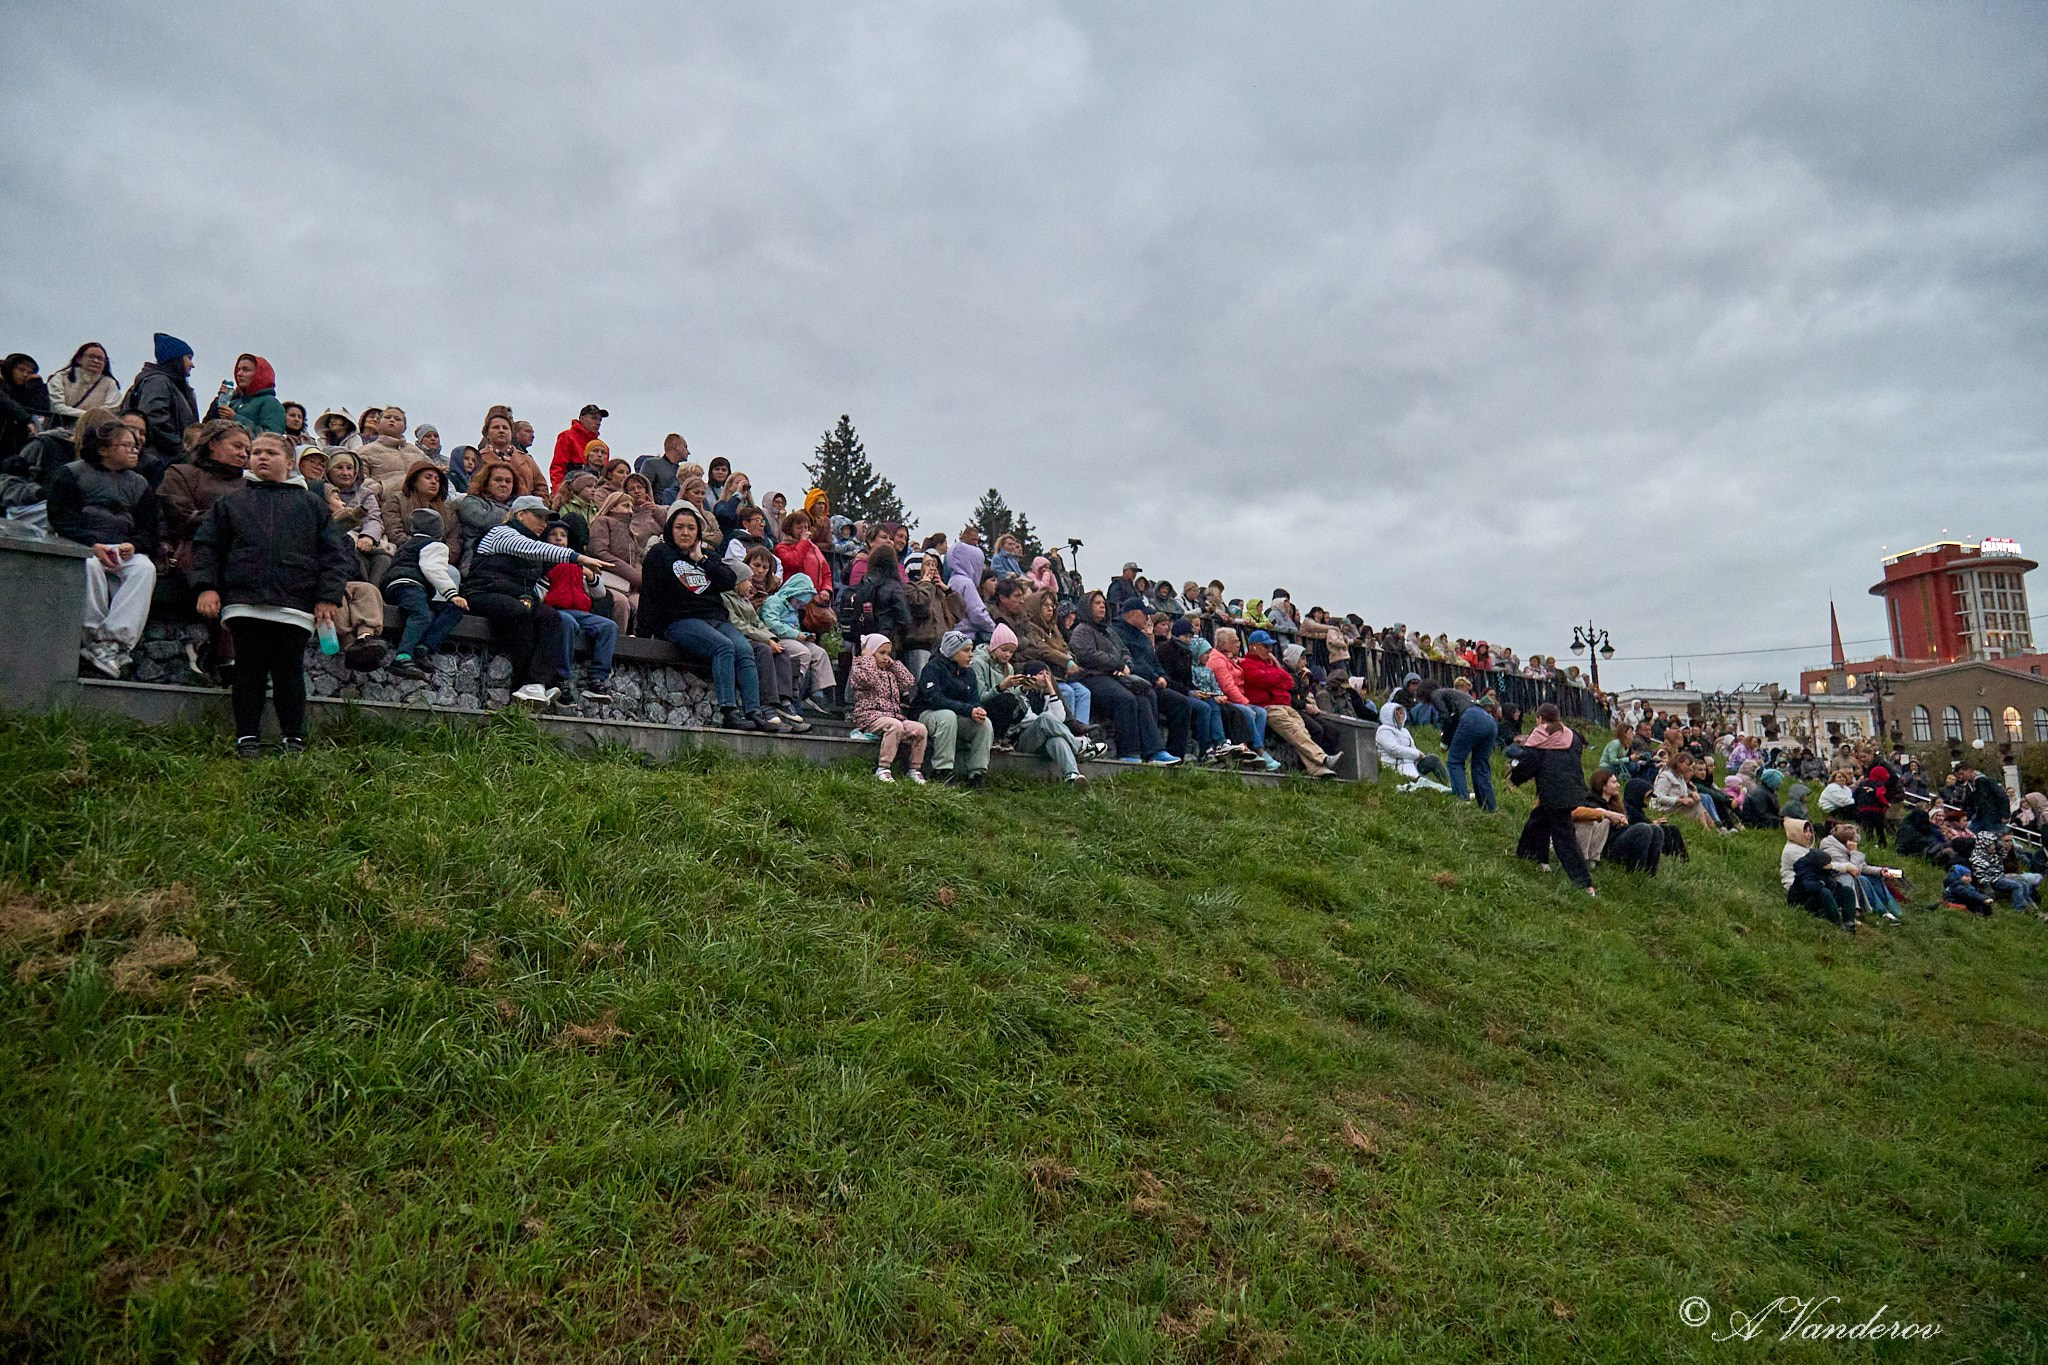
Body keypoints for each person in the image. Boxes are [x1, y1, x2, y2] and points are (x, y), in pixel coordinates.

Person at [190, 432, 350, 758]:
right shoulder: (232, 502)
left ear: (290, 463)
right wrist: (207, 586)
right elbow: (207, 547)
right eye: (256, 451)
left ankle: (294, 738)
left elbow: (333, 555)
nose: (261, 457)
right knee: (248, 671)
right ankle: (246, 737)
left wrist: (328, 597)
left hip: (294, 603)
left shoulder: (312, 506)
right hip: (243, 602)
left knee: (289, 672)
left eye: (271, 453)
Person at [638, 506, 779, 731]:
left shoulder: (709, 556)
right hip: (680, 620)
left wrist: (701, 559)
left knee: (744, 649)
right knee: (723, 647)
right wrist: (645, 632)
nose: (685, 533)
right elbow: (649, 593)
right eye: (680, 527)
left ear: (698, 532)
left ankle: (754, 711)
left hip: (715, 618)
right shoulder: (660, 554)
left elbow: (727, 580)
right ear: (670, 530)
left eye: (691, 528)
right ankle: (729, 711)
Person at [47, 416, 160, 679]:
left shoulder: (140, 484)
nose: (135, 450)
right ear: (103, 449)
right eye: (127, 445)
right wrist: (91, 544)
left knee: (144, 568)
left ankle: (115, 640)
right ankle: (93, 638)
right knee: (89, 564)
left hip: (121, 547)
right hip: (83, 543)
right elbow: (61, 518)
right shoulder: (71, 474)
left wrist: (135, 545)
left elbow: (149, 528)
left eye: (136, 445)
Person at [467, 496, 607, 706]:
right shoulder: (500, 532)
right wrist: (579, 558)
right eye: (539, 516)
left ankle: (538, 684)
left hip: (516, 597)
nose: (544, 523)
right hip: (484, 592)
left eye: (546, 518)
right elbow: (530, 548)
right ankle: (526, 684)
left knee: (552, 617)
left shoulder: (534, 544)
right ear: (520, 514)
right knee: (521, 614)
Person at [1070, 591, 1176, 765]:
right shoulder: (1082, 630)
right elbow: (1087, 654)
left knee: (1145, 696)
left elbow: (1125, 652)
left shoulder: (1108, 631)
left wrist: (1126, 666)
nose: (1102, 606)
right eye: (1097, 603)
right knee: (1125, 699)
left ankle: (1154, 750)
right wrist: (1117, 665)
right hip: (1092, 676)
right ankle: (1128, 752)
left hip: (1114, 676)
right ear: (1086, 607)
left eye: (1103, 602)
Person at [1508, 705, 1597, 893]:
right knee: (1538, 819)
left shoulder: (1540, 736)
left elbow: (1529, 763)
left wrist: (1514, 779)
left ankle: (1584, 883)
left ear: (1540, 718)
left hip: (1553, 794)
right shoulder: (1571, 736)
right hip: (1574, 789)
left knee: (1564, 838)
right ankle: (1528, 854)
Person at [379, 508, 468, 682]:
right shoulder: (435, 546)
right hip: (410, 585)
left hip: (394, 587)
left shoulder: (408, 544)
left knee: (449, 610)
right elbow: (433, 569)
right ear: (439, 531)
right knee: (421, 615)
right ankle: (402, 657)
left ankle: (423, 647)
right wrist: (451, 593)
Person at [724, 559, 810, 731]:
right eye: (747, 580)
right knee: (764, 651)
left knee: (782, 652)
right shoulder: (726, 599)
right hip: (742, 639)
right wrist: (766, 640)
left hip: (757, 637)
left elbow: (758, 623)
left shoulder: (745, 601)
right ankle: (767, 704)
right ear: (737, 581)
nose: (750, 584)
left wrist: (772, 638)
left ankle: (783, 701)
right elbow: (739, 625)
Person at [1240, 631, 1338, 776]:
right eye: (1265, 646)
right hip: (1269, 707)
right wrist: (1276, 676)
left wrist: (1277, 668)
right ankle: (1322, 758)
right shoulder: (1247, 664)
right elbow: (1261, 680)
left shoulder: (1272, 665)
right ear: (1253, 647)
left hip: (1285, 706)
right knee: (1294, 731)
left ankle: (1316, 769)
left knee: (1301, 732)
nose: (1269, 650)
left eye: (1270, 647)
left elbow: (1289, 682)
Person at [540, 522, 618, 701]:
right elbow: (540, 593)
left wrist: (590, 575)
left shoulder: (578, 565)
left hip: (580, 611)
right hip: (555, 610)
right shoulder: (544, 562)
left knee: (609, 627)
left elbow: (600, 593)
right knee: (567, 623)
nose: (559, 538)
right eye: (553, 534)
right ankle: (562, 679)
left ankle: (597, 678)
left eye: (563, 535)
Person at [1110, 599, 1197, 757]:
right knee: (1149, 699)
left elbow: (1154, 662)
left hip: (1152, 683)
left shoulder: (1142, 636)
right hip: (1133, 683)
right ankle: (1153, 751)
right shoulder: (1116, 633)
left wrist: (1162, 676)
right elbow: (1130, 663)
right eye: (1145, 615)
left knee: (1182, 703)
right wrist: (1155, 677)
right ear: (1133, 614)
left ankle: (1176, 754)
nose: (1147, 619)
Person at [917, 630, 995, 787]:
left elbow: (974, 699)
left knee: (984, 724)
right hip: (927, 715)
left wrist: (978, 709)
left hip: (956, 716)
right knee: (947, 716)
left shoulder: (969, 673)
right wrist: (968, 710)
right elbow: (934, 699)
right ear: (952, 652)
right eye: (966, 650)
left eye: (971, 650)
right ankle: (942, 770)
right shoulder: (933, 668)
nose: (971, 655)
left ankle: (976, 774)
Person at [120, 333, 199, 482]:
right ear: (175, 359)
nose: (192, 364)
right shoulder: (158, 382)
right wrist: (181, 450)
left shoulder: (170, 385)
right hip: (163, 462)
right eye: (188, 358)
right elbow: (155, 418)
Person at [850, 634, 928, 782]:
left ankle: (914, 769)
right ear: (870, 652)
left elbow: (908, 682)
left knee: (920, 729)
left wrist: (894, 664)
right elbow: (869, 680)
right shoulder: (860, 667)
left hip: (892, 717)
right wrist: (868, 659)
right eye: (881, 653)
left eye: (888, 653)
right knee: (895, 726)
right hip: (869, 717)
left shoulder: (890, 672)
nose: (886, 657)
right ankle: (883, 767)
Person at [759, 572, 838, 715]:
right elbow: (771, 623)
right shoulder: (774, 602)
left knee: (820, 653)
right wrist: (796, 635)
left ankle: (818, 692)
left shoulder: (794, 609)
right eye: (798, 602)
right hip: (776, 638)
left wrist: (806, 636)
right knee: (804, 653)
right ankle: (795, 690)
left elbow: (795, 627)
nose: (799, 606)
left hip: (794, 638)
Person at [1580, 767, 1661, 874]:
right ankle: (1635, 871)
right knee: (1643, 829)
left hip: (1617, 839)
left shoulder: (1615, 805)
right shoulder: (1591, 804)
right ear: (1603, 786)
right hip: (1606, 848)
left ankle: (1650, 872)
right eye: (1614, 782)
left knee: (1656, 829)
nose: (1618, 785)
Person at [1781, 820, 1859, 931]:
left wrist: (1833, 884)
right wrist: (1841, 868)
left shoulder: (1808, 850)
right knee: (1825, 892)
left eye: (1810, 831)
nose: (1809, 834)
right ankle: (1837, 923)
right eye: (1805, 831)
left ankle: (1849, 922)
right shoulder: (1794, 852)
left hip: (1816, 887)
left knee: (1846, 891)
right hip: (1802, 895)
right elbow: (1809, 881)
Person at [203, 353, 287, 435]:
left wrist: (235, 418)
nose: (239, 374)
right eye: (238, 370)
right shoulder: (234, 401)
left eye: (246, 370)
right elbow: (206, 428)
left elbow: (271, 438)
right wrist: (220, 400)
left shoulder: (270, 403)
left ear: (260, 374)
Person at [471, 409, 546, 498]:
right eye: (496, 427)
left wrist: (535, 507)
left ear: (511, 433)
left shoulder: (527, 460)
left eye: (505, 428)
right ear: (487, 433)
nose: (501, 431)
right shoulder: (477, 459)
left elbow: (541, 487)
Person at [1443, 693, 1499, 809]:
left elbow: (1451, 720)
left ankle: (1463, 802)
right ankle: (1490, 807)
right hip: (1492, 726)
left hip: (1472, 719)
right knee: (1481, 766)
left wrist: (1445, 742)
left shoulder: (1465, 706)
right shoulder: (1489, 717)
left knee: (1455, 761)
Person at [45, 343, 121, 428]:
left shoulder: (110, 384)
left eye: (100, 359)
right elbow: (56, 407)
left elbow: (110, 411)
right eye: (91, 357)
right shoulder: (61, 377)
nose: (96, 361)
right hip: (57, 429)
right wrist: (89, 415)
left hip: (92, 432)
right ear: (79, 359)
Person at [1375, 702, 1451, 788]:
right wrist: (1417, 754)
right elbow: (1394, 750)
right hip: (1396, 768)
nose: (1400, 716)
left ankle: (1449, 785)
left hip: (1412, 764)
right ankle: (1446, 790)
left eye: (1401, 713)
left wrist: (1419, 757)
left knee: (1433, 759)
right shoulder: (1383, 730)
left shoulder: (1404, 731)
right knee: (1427, 784)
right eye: (1396, 714)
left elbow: (1412, 747)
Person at [354, 405, 424, 491]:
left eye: (397, 419)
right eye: (387, 417)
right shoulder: (365, 451)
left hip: (419, 503)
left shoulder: (417, 452)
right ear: (378, 423)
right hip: (383, 503)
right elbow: (359, 479)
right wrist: (381, 488)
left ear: (405, 428)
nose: (392, 420)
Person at [551, 405, 606, 490]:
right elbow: (558, 467)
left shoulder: (603, 447)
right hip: (572, 489)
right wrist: (558, 492)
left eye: (600, 420)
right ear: (582, 419)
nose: (598, 422)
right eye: (594, 418)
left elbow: (606, 473)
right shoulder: (567, 437)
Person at [637, 434, 690, 505]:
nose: (688, 452)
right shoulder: (652, 464)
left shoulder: (682, 471)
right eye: (685, 447)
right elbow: (643, 489)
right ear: (676, 446)